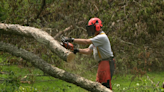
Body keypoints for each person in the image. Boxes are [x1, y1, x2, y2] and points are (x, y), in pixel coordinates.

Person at [63, 17, 115, 90]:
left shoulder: (102, 37)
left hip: (106, 62)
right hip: (103, 63)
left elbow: (86, 42)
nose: (90, 30)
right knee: (99, 86)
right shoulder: (97, 38)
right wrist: (76, 50)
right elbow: (88, 51)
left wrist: (71, 39)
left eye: (91, 28)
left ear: (97, 27)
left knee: (105, 86)